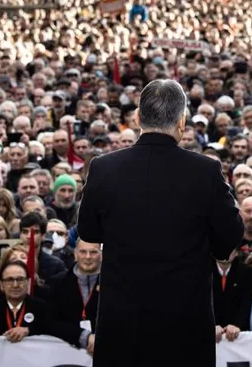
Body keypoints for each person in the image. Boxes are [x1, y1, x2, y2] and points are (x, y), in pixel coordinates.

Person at [77, 79, 243, 367]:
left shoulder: (103, 167)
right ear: (182, 121)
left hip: (122, 322)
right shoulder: (206, 171)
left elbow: (89, 231)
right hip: (184, 324)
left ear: (138, 118)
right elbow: (229, 237)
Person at [49, 239, 101, 354]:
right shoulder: (58, 282)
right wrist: (84, 336)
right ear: (75, 254)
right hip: (68, 354)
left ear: (101, 255)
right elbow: (51, 321)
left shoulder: (115, 284)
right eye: (83, 252)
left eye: (93, 252)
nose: (88, 257)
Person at [0, 259, 50, 341]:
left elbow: (51, 332)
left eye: (20, 279)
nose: (15, 285)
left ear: (27, 282)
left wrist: (29, 330)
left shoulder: (42, 308)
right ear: (1, 284)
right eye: (9, 280)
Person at [212, 247, 252, 342]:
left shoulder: (249, 273)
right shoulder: (200, 272)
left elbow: (247, 304)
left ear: (237, 252)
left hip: (240, 335)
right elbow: (198, 304)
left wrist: (237, 325)